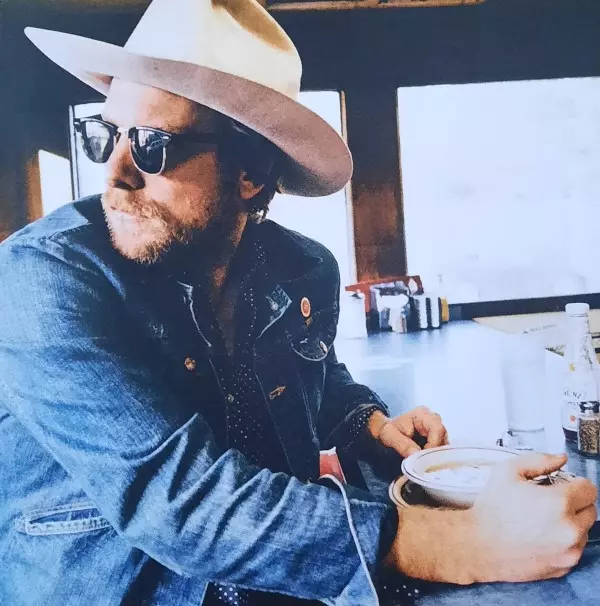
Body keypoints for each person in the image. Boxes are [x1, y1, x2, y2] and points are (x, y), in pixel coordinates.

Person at [0, 0, 596, 605]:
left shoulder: (302, 268)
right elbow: (176, 499)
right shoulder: (43, 277)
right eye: (104, 136)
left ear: (251, 173)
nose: (116, 173)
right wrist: (454, 542)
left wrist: (366, 422)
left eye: (153, 145)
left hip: (282, 584)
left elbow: (314, 374)